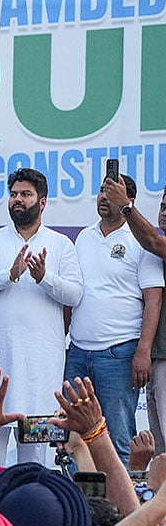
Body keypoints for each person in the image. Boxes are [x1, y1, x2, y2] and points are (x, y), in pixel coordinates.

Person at [0, 168, 83, 465]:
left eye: (25, 194)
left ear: (43, 202)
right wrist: (9, 275)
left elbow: (75, 295)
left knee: (35, 449)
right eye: (13, 195)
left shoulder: (61, 244)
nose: (17, 200)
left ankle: (32, 507)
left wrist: (43, 277)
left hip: (40, 362)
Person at [66, 174, 163, 463]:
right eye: (101, 191)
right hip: (78, 352)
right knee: (74, 438)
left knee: (118, 437)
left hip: (119, 354)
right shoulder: (84, 237)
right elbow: (74, 292)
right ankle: (79, 506)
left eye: (111, 192)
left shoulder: (140, 240)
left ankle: (122, 508)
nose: (103, 197)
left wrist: (143, 352)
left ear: (127, 200)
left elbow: (153, 299)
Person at [102, 180, 166, 456]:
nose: (164, 212)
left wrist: (125, 207)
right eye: (163, 206)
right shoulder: (154, 252)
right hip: (157, 358)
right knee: (161, 449)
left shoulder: (154, 245)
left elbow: (151, 240)